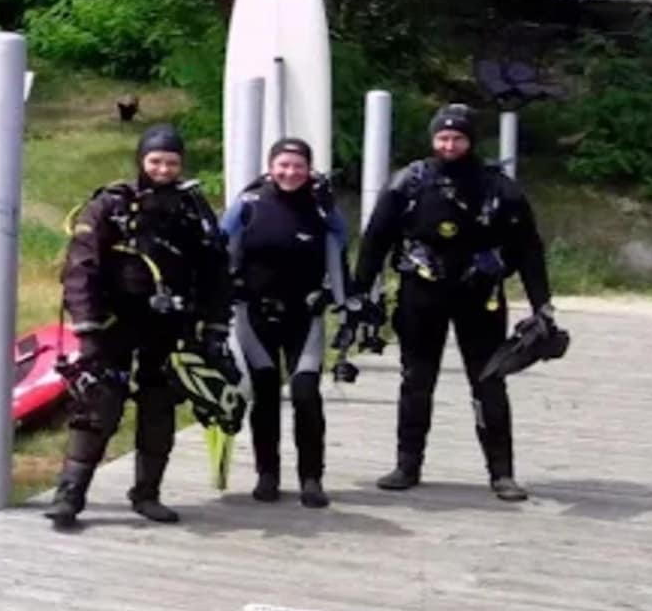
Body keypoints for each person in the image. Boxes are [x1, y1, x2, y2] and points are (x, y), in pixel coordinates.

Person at [350, 103, 554, 502]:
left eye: (457, 138)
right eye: (442, 137)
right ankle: (407, 464)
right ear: (432, 140)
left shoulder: (499, 188)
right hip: (422, 293)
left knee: (489, 381)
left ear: (471, 140)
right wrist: (360, 291)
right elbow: (376, 239)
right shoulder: (409, 182)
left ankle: (502, 473)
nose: (449, 144)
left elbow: (529, 249)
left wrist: (541, 304)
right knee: (415, 380)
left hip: (480, 295)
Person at [47, 124, 231, 527]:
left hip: (168, 326)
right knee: (98, 407)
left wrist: (216, 327)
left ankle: (147, 494)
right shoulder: (111, 205)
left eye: (172, 162)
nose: (163, 169)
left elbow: (217, 271)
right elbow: (81, 268)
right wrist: (88, 328)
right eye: (156, 161)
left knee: (159, 408)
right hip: (113, 324)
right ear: (141, 160)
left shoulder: (192, 211)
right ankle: (70, 495)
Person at [221, 137, 349, 508]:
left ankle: (311, 477)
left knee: (307, 395)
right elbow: (218, 247)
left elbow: (342, 249)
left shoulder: (321, 206)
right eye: (283, 165)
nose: (290, 172)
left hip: (304, 316)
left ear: (309, 169)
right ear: (270, 166)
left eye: (298, 166)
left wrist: (342, 304)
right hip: (254, 314)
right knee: (265, 395)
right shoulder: (249, 203)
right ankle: (267, 474)